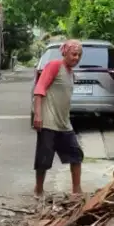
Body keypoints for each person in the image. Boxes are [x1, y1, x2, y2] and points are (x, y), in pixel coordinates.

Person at [32, 39, 84, 197]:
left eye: (79, 55)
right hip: (48, 122)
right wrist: (38, 115)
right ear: (65, 53)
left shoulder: (70, 73)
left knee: (76, 155)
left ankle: (77, 190)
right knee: (43, 160)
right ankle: (39, 190)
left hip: (64, 123)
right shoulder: (55, 66)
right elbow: (39, 88)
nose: (76, 58)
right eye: (74, 54)